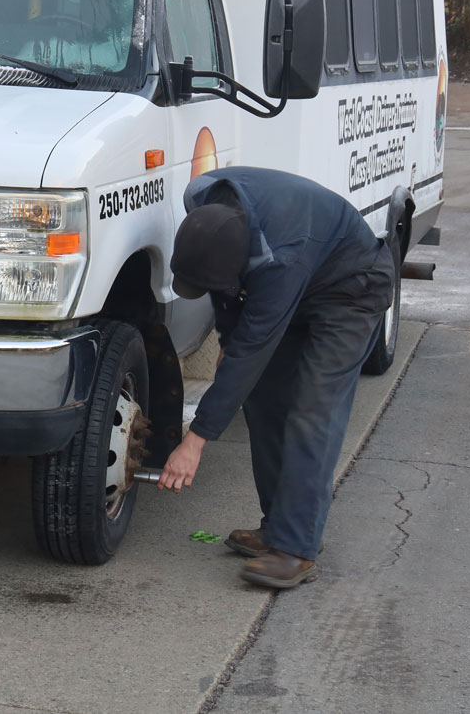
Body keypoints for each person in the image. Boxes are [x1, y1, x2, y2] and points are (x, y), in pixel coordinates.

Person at [155, 167, 396, 589]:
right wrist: (227, 337)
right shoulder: (203, 202)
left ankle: (296, 548)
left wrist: (194, 442)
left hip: (351, 290)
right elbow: (225, 290)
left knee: (311, 410)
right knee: (262, 400)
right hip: (300, 282)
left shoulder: (280, 256)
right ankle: (278, 526)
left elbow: (255, 344)